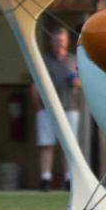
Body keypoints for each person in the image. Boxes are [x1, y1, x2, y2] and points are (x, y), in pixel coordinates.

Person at [33, 27, 81, 191]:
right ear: (51, 42)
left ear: (66, 42)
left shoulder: (74, 60)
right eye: (56, 41)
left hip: (70, 107)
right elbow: (34, 85)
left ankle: (68, 179)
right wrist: (39, 107)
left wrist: (77, 83)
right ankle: (45, 178)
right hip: (48, 109)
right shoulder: (44, 61)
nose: (58, 44)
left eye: (61, 41)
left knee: (69, 145)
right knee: (47, 144)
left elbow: (83, 82)